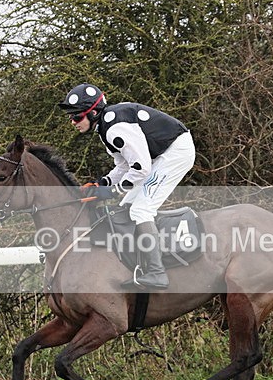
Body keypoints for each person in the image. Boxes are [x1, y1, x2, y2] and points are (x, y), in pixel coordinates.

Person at [58, 83, 196, 290]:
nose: (72, 122)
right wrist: (102, 183)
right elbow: (124, 165)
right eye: (71, 117)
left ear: (93, 113)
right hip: (162, 155)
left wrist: (113, 190)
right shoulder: (105, 126)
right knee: (126, 208)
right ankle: (140, 264)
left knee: (141, 209)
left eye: (77, 117)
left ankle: (157, 272)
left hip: (175, 153)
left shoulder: (114, 128)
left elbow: (141, 168)